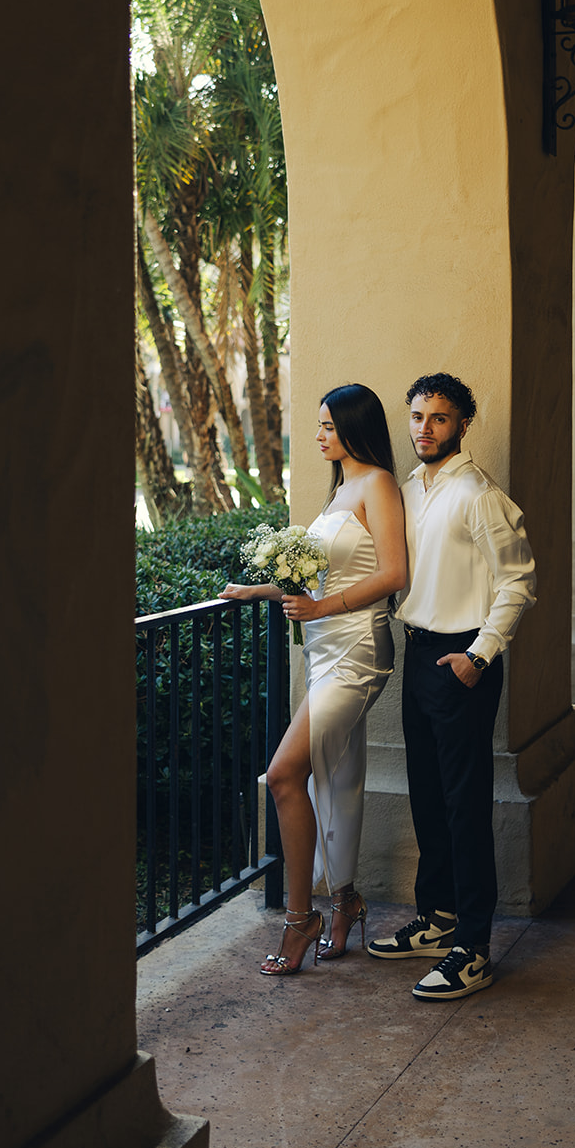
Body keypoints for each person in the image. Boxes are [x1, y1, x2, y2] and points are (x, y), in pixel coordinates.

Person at [222, 383, 406, 976]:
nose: (319, 434)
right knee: (337, 777)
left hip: (356, 652)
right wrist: (264, 590)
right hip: (324, 651)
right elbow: (320, 580)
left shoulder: (376, 483)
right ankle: (346, 900)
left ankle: (301, 918)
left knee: (283, 775)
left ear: (353, 427)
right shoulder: (339, 492)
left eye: (328, 425)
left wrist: (323, 611)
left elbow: (394, 573)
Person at [367, 373, 536, 1001]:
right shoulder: (410, 489)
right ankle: (437, 919)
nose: (424, 429)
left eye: (438, 418)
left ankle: (473, 947)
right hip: (419, 655)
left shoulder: (478, 494)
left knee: (464, 805)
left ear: (464, 424)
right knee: (428, 795)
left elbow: (518, 581)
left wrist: (479, 655)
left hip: (463, 660)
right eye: (416, 417)